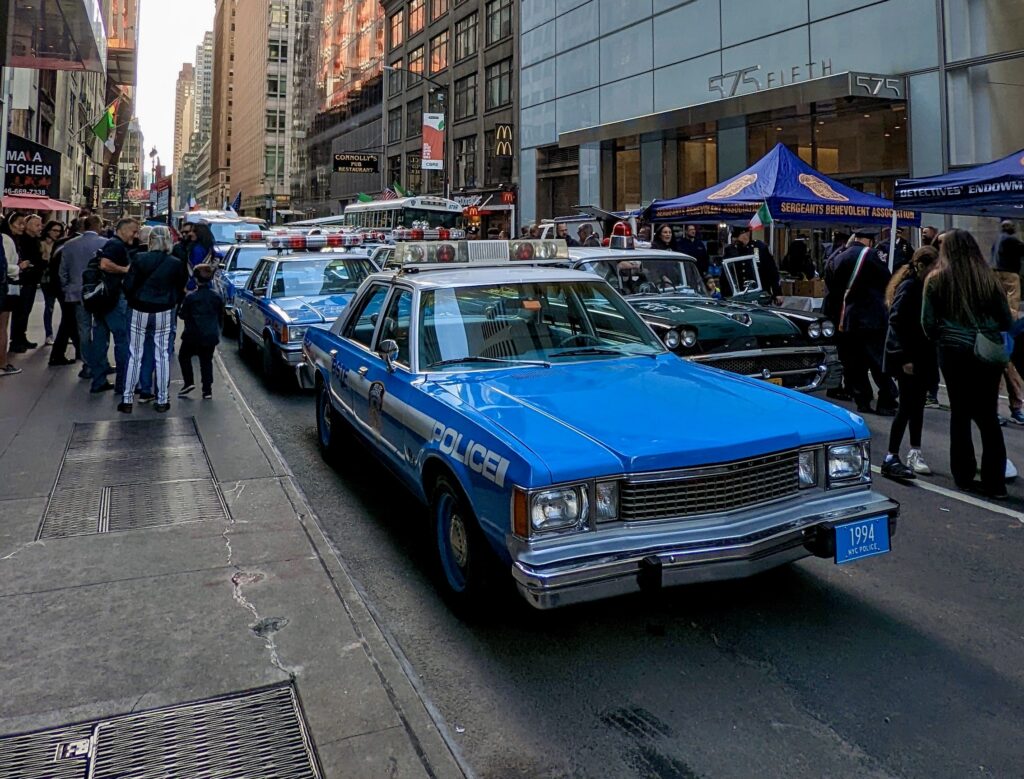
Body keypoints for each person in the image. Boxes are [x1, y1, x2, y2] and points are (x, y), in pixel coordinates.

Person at [923, 229, 1012, 497]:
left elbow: (927, 323)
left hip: (953, 351)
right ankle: (994, 482)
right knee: (988, 417)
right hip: (987, 353)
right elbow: (1006, 321)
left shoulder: (937, 280)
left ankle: (963, 474)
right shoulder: (989, 279)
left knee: (960, 414)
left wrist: (941, 335)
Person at [822, 229, 898, 415]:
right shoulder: (870, 255)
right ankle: (886, 401)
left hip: (847, 317)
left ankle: (862, 400)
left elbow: (832, 288)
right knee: (878, 361)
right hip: (871, 317)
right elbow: (887, 281)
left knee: (855, 363)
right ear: (869, 241)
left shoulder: (837, 256)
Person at [880, 246, 940, 480]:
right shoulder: (911, 286)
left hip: (920, 355)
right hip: (909, 356)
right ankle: (892, 454)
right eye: (934, 268)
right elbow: (896, 321)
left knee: (916, 407)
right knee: (907, 406)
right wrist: (904, 357)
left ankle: (914, 450)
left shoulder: (921, 286)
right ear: (922, 266)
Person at [119, 226, 188, 413]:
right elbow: (181, 285)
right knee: (162, 354)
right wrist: (171, 301)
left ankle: (127, 399)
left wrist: (134, 298)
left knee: (135, 353)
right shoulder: (175, 262)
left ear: (150, 241)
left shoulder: (140, 259)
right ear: (168, 240)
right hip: (164, 309)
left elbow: (128, 285)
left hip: (139, 308)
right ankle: (162, 399)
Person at [91, 217, 139, 395]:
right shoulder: (115, 245)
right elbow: (105, 265)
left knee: (100, 340)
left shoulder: (112, 244)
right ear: (123, 229)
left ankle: (98, 381)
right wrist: (126, 270)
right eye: (134, 231)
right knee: (122, 340)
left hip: (103, 299)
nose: (135, 235)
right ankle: (122, 384)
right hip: (113, 299)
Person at [59, 215, 108, 380]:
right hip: (99, 293)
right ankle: (100, 362)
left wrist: (67, 287)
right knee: (100, 328)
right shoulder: (104, 243)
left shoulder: (70, 244)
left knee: (83, 329)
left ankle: (87, 363)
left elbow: (63, 270)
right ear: (98, 226)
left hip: (77, 292)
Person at [989, 220, 1024, 424]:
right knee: (1005, 370)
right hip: (1000, 334)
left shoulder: (998, 242)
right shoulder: (1011, 241)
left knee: (1005, 371)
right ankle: (1014, 408)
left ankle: (1012, 407)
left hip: (998, 332)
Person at [178, 263, 224, 400]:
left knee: (184, 356)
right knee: (206, 361)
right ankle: (207, 390)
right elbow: (220, 315)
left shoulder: (191, 297)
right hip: (210, 335)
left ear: (196, 280)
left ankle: (188, 382)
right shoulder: (216, 297)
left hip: (192, 335)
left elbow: (182, 314)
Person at [8, 213, 41, 352]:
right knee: (20, 311)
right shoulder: (21, 240)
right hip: (23, 280)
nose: (40, 227)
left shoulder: (35, 240)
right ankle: (16, 341)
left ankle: (21, 337)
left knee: (26, 311)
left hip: (31, 280)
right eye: (37, 224)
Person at [723, 225, 782, 302]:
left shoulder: (760, 247)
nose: (735, 239)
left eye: (737, 237)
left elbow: (772, 272)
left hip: (760, 293)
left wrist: (777, 292)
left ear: (745, 234)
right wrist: (725, 295)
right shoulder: (730, 250)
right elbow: (725, 274)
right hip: (739, 296)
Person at [39, 220, 65, 345]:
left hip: (59, 279)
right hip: (48, 280)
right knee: (49, 307)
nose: (57, 233)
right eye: (54, 230)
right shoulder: (43, 243)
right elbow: (44, 260)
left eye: (59, 231)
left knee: (65, 308)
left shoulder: (61, 244)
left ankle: (65, 334)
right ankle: (49, 334)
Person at [0, 222, 21, 376]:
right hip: (4, 287)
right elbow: (5, 267)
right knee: (1, 328)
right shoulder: (4, 239)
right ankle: (2, 363)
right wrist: (19, 268)